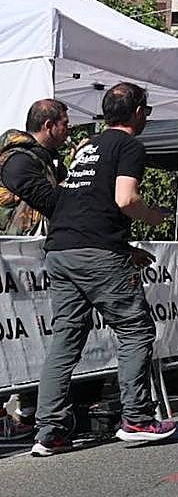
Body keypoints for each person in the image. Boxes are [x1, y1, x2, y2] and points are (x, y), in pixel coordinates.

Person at [34, 83, 175, 455]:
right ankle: (138, 418)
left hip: (61, 249)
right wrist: (154, 216)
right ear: (139, 111)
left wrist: (124, 249)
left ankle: (50, 431)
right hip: (94, 252)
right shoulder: (129, 145)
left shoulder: (88, 147)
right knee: (135, 329)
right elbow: (124, 199)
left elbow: (85, 204)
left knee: (65, 340)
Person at [0, 99, 70, 441]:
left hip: (36, 263)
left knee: (35, 333)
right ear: (48, 125)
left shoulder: (49, 160)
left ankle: (29, 409)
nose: (68, 130)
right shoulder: (19, 160)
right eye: (64, 123)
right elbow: (49, 200)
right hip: (15, 263)